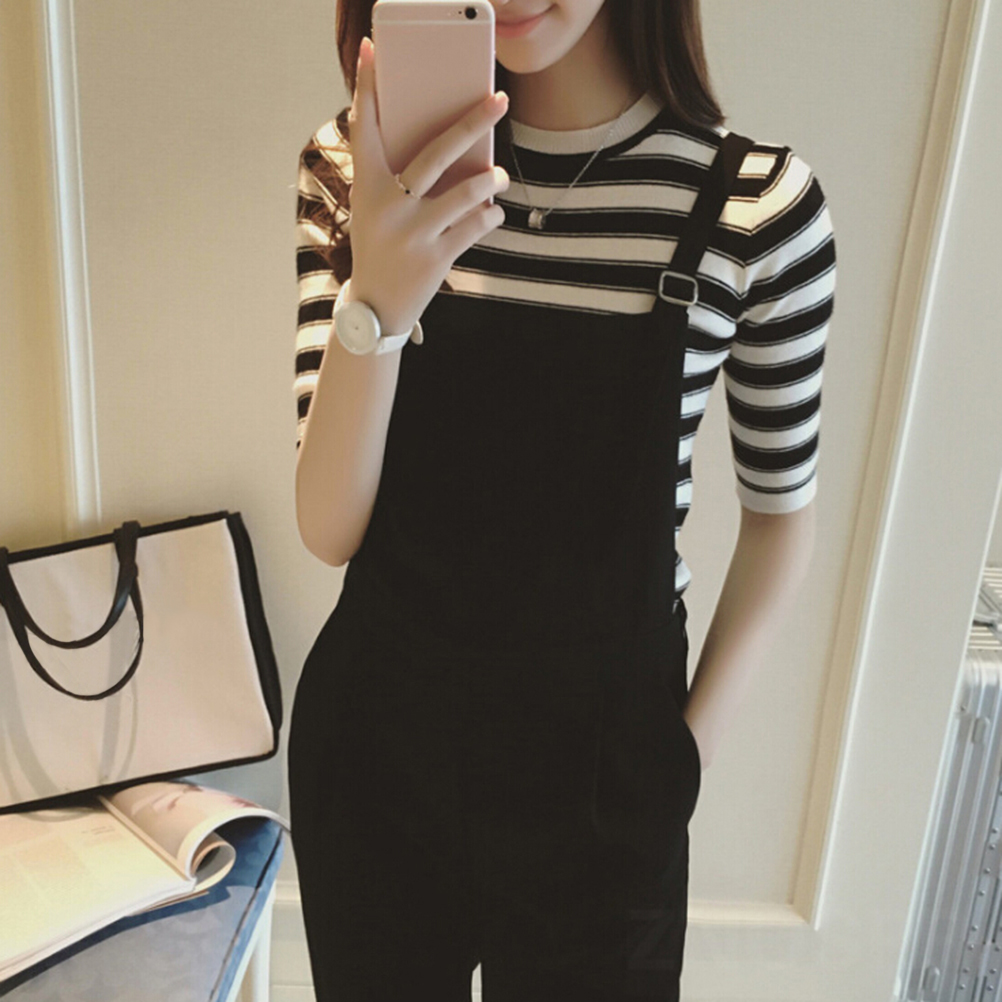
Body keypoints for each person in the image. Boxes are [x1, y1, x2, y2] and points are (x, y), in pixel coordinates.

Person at [288, 1, 836, 999]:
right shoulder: (357, 164)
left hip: (606, 780)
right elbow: (329, 529)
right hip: (380, 755)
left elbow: (781, 514)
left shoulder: (754, 208)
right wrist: (380, 299)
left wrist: (682, 760)